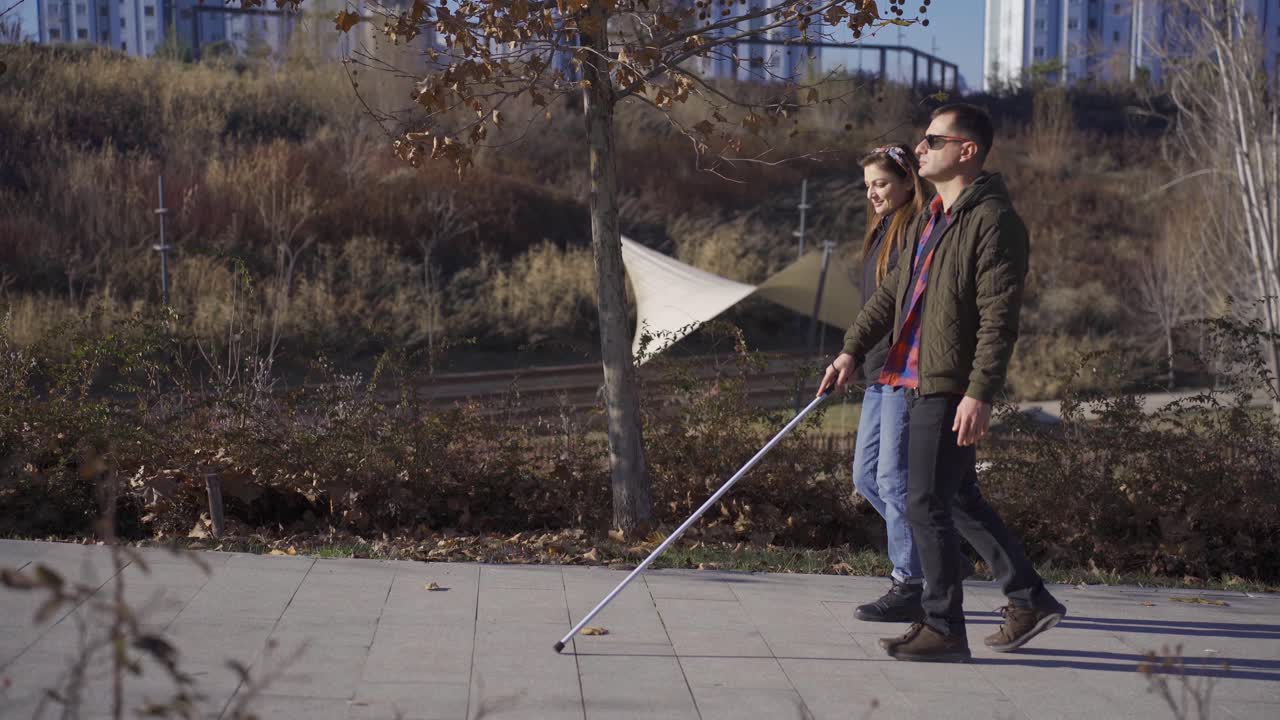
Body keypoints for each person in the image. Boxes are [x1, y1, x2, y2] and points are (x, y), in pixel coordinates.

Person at [818, 103, 1065, 663]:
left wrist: (980, 392)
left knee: (925, 499)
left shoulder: (992, 221)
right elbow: (889, 296)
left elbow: (1000, 318)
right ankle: (1028, 599)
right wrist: (851, 350)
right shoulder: (933, 217)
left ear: (967, 150)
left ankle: (943, 627)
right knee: (955, 497)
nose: (920, 149)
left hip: (946, 383)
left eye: (932, 140)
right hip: (908, 376)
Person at [850, 144, 927, 623]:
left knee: (893, 479)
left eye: (880, 183)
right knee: (866, 476)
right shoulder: (880, 231)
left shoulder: (914, 232)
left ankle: (909, 581)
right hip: (876, 370)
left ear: (905, 182)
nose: (874, 194)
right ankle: (930, 555)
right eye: (868, 187)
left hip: (903, 369)